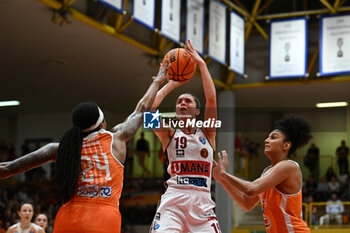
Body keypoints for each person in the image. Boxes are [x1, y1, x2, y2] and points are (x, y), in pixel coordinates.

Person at [0, 61, 169, 233]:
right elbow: (141, 111)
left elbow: (9, 168)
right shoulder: (116, 139)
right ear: (101, 122)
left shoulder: (60, 148)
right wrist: (158, 81)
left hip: (69, 216)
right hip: (103, 216)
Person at [149, 40, 222, 233]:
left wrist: (202, 65)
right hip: (174, 198)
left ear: (197, 111)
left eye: (187, 101)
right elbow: (149, 110)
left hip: (202, 202)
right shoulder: (170, 134)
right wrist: (170, 84)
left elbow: (212, 99)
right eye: (179, 102)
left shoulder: (208, 132)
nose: (182, 103)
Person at [213, 116, 312, 233]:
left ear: (286, 146)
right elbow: (246, 204)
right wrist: (221, 179)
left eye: (273, 137)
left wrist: (224, 174)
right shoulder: (268, 171)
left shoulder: (288, 166)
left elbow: (251, 189)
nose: (266, 140)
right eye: (268, 137)